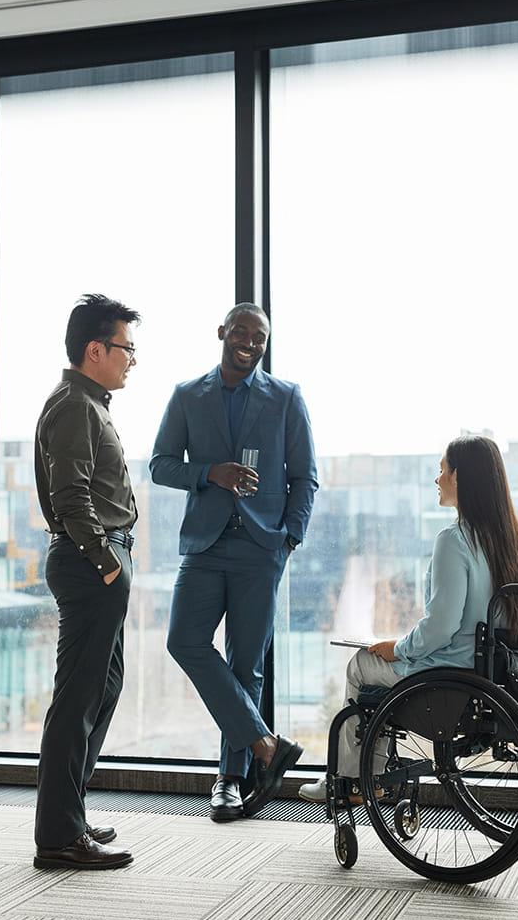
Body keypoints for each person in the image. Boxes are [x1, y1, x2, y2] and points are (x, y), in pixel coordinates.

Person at [150, 303, 318, 822]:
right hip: (204, 546)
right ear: (222, 333)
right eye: (240, 333)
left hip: (261, 550)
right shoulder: (187, 395)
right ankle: (267, 747)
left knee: (246, 665)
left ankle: (231, 780)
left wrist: (288, 539)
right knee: (185, 641)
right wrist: (209, 474)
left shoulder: (286, 397)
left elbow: (304, 476)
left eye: (259, 338)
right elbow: (159, 465)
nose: (249, 343)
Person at [299, 434, 518, 801]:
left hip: (451, 672)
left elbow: (441, 626)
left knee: (360, 665)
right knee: (382, 655)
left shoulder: (455, 540)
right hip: (494, 669)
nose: (437, 479)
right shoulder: (514, 539)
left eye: (442, 471)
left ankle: (357, 781)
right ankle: (366, 775)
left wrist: (400, 648)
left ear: (460, 478)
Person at [33, 294, 140, 869]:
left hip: (96, 563)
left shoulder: (89, 403)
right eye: (125, 347)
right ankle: (56, 839)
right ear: (94, 349)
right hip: (88, 564)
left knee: (101, 689)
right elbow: (69, 495)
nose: (130, 359)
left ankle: (68, 817)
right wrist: (105, 561)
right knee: (77, 698)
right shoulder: (75, 405)